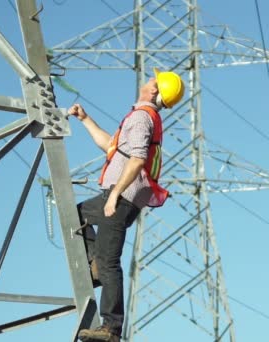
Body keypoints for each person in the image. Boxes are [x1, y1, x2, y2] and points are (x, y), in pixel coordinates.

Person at [68, 68, 184, 342]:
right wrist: (85, 119)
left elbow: (137, 159)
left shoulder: (143, 117)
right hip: (120, 195)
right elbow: (112, 146)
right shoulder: (141, 116)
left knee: (110, 261)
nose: (147, 80)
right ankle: (94, 266)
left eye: (152, 79)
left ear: (154, 90)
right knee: (78, 214)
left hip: (121, 196)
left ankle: (111, 329)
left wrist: (114, 194)